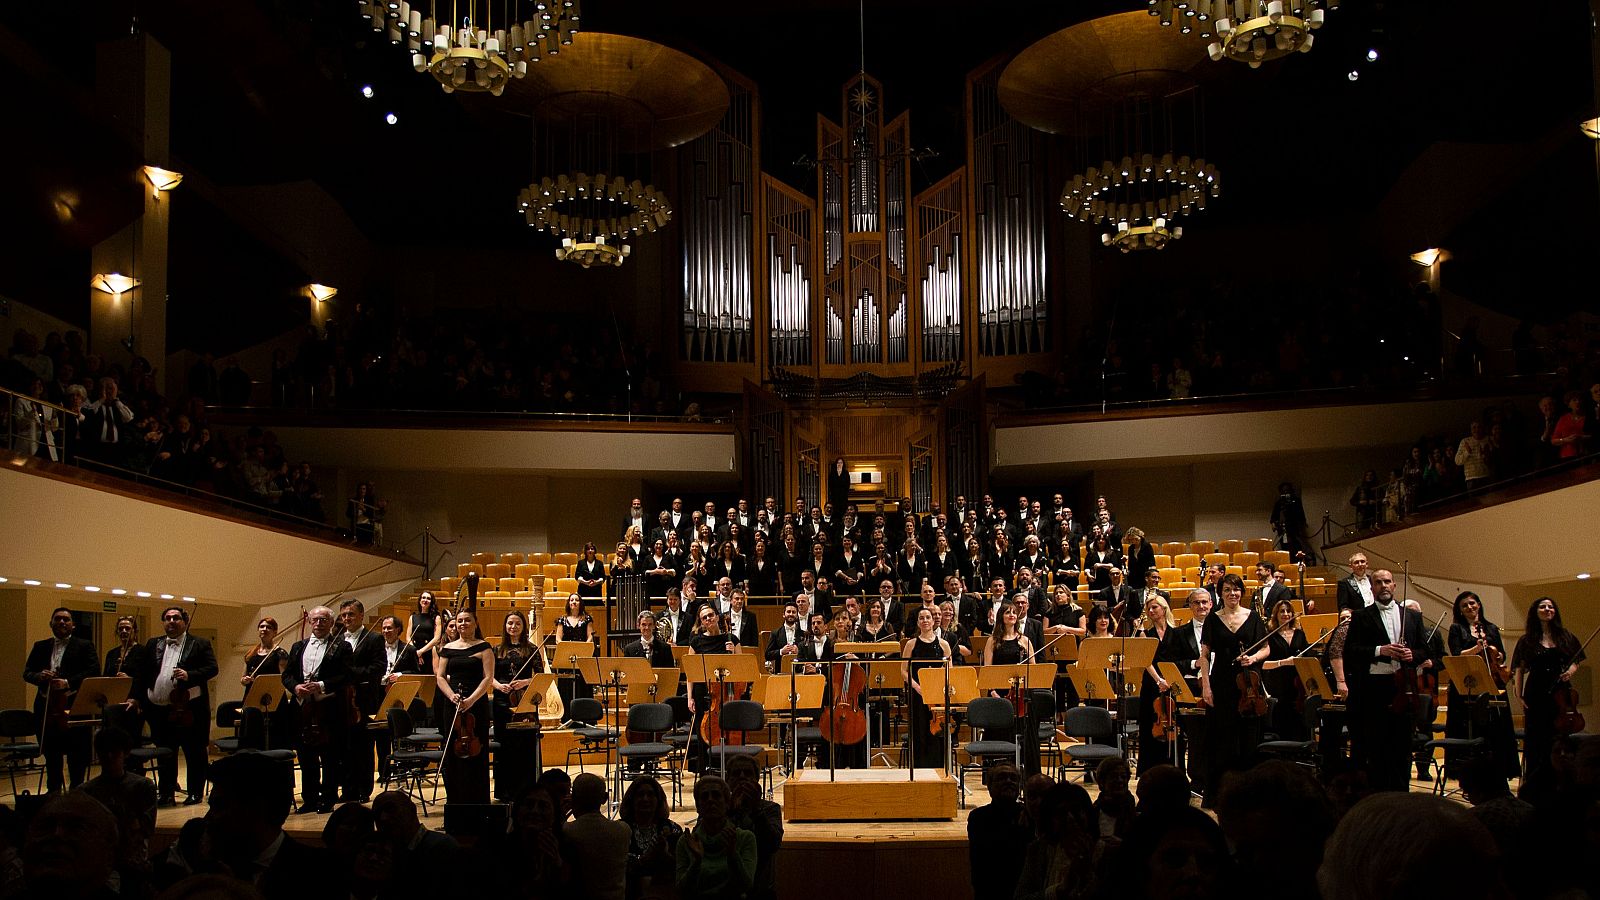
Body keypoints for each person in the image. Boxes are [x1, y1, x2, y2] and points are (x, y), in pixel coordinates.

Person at [1344, 568, 1430, 792]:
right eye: (1378, 582)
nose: (1383, 586)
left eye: (1387, 582)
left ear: (1394, 586)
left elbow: (1424, 649)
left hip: (1405, 686)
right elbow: (1351, 651)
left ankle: (1402, 793)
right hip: (1375, 688)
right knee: (1377, 745)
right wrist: (1379, 650)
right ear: (1372, 588)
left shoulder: (1412, 616)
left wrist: (1413, 654)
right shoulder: (1361, 616)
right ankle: (1379, 794)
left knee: (1402, 745)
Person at [135, 605, 217, 807]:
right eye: (167, 618)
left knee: (194, 752)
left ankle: (195, 792)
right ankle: (166, 792)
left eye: (176, 618)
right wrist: (135, 697)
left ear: (185, 621)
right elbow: (142, 674)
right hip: (159, 710)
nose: (171, 621)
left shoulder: (199, 643)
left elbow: (212, 668)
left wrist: (190, 675)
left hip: (189, 709)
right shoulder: (154, 644)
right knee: (165, 753)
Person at [1197, 574, 1267, 806]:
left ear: (1242, 592)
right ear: (1220, 593)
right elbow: (1204, 656)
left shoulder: (1253, 617)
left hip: (1248, 684)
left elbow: (1266, 649)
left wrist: (1253, 657)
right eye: (1227, 590)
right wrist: (1206, 686)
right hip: (1221, 683)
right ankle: (1220, 795)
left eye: (1236, 589)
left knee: (1247, 740)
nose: (1232, 594)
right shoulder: (1212, 619)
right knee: (1221, 741)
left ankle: (1247, 795)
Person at [1512, 595, 1585, 800]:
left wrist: (1570, 672)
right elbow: (1519, 668)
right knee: (1537, 740)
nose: (1547, 609)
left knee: (1559, 738)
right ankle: (1536, 788)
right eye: (1542, 607)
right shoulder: (1527, 640)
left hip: (1560, 692)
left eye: (1550, 606)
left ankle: (1561, 784)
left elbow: (1577, 659)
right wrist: (1519, 695)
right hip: (1536, 691)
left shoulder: (1565, 636)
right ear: (1535, 612)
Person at [282, 606, 351, 813]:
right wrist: (295, 687)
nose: (319, 623)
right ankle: (309, 799)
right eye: (315, 620)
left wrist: (320, 685)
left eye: (323, 620)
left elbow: (346, 676)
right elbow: (287, 675)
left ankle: (328, 799)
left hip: (328, 708)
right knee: (305, 756)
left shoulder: (342, 646)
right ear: (310, 622)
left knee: (330, 757)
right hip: (302, 708)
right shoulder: (297, 646)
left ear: (331, 623)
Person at [23, 607, 97, 793]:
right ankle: (53, 793)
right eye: (58, 619)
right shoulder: (40, 646)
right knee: (51, 754)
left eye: (66, 620)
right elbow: (27, 673)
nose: (62, 622)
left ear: (73, 625)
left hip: (73, 706)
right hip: (46, 707)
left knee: (76, 755)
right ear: (51, 623)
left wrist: (67, 682)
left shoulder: (84, 645)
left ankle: (77, 792)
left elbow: (93, 671)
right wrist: (39, 676)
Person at [1446, 591, 1519, 779]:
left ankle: (1499, 768)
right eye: (1464, 606)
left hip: (1491, 681)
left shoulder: (1491, 628)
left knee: (1496, 727)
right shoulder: (1456, 629)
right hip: (1467, 683)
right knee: (1468, 727)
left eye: (1472, 603)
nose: (1469, 607)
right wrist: (1477, 648)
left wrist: (1498, 655)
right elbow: (1456, 654)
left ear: (1478, 604)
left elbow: (1502, 654)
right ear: (1460, 611)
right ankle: (1467, 771)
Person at [79, 725, 158, 893]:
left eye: (114, 752)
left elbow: (146, 828)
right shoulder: (86, 791)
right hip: (99, 860)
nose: (108, 757)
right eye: (103, 752)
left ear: (125, 753)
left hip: (131, 860)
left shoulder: (142, 786)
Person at [434, 608, 493, 804]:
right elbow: (440, 677)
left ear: (475, 623)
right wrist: (452, 697)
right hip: (452, 704)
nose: (463, 624)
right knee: (453, 753)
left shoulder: (484, 647)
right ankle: (456, 802)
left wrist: (471, 700)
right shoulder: (448, 648)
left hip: (475, 705)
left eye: (467, 620)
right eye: (459, 621)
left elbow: (488, 678)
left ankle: (478, 802)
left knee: (477, 753)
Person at [676, 775, 757, 900]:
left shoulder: (744, 838)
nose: (710, 800)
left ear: (727, 804)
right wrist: (696, 862)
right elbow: (681, 891)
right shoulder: (687, 842)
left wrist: (732, 855)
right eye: (704, 797)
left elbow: (746, 885)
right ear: (698, 807)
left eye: (716, 795)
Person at [1013, 781, 1097, 900]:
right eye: (1062, 813)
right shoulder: (1038, 850)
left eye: (1075, 810)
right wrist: (1060, 890)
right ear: (1050, 819)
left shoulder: (1104, 851)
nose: (1070, 818)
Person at [336, 599, 385, 804]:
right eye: (344, 615)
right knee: (344, 748)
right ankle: (347, 790)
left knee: (363, 748)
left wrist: (350, 674)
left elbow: (378, 668)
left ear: (361, 615)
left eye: (351, 614)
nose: (347, 618)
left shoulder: (374, 638)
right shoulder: (337, 639)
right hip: (341, 702)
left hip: (363, 701)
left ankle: (363, 790)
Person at [493, 610, 544, 802]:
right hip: (501, 701)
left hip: (524, 700)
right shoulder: (496, 650)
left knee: (525, 744)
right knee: (505, 745)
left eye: (517, 624)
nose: (513, 627)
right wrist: (499, 685)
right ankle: (505, 790)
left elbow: (540, 676)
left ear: (523, 627)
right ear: (505, 627)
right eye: (510, 624)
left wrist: (524, 683)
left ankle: (527, 788)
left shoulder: (531, 649)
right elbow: (489, 676)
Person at [372, 791, 458, 896]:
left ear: (412, 810)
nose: (383, 818)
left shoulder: (442, 848)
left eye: (390, 809)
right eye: (377, 814)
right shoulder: (380, 856)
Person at [562, 773, 631, 900]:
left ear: (572, 798)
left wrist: (561, 815)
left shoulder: (566, 830)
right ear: (605, 798)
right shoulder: (623, 830)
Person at [967, 763, 1030, 900]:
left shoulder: (1030, 816)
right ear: (989, 786)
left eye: (1013, 778)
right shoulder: (978, 817)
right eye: (1002, 778)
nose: (1008, 781)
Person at [902, 606, 953, 769]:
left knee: (938, 733)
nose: (925, 621)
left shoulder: (944, 644)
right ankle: (919, 769)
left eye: (927, 618)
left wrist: (939, 687)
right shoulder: (911, 644)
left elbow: (949, 670)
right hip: (918, 694)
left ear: (933, 621)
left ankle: (939, 767)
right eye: (921, 618)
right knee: (920, 731)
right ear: (918, 622)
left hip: (938, 696)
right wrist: (918, 688)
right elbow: (904, 671)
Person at [619, 775, 682, 900]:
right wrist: (644, 860)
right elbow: (617, 868)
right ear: (631, 800)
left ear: (659, 800)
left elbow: (680, 868)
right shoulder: (620, 830)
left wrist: (665, 856)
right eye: (640, 795)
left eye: (651, 794)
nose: (645, 799)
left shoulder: (673, 829)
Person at [1261, 599, 1310, 741]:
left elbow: (1307, 658)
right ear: (1276, 614)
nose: (1286, 614)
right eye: (1282, 611)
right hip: (1277, 684)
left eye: (1288, 611)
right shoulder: (1270, 635)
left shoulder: (1299, 634)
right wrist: (1283, 662)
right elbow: (1263, 665)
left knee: (1299, 720)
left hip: (1298, 685)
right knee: (1281, 719)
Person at [555, 594, 598, 716]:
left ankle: (584, 716)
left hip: (582, 657)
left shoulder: (587, 619)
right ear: (568, 603)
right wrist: (566, 648)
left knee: (582, 685)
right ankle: (567, 716)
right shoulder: (562, 620)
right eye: (571, 600)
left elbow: (590, 636)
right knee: (567, 685)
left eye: (577, 600)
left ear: (580, 603)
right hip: (567, 658)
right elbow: (558, 638)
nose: (574, 602)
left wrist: (583, 649)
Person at [406, 591, 443, 679]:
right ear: (419, 600)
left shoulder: (436, 617)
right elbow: (408, 637)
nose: (425, 600)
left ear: (432, 602)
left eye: (428, 598)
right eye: (423, 598)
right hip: (414, 653)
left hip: (429, 653)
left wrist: (421, 652)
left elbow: (437, 638)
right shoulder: (413, 617)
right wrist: (415, 652)